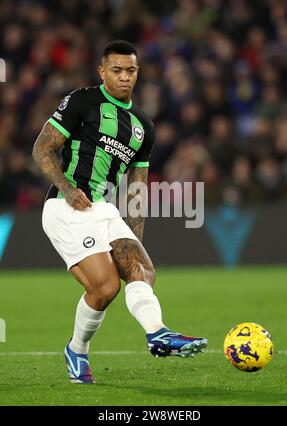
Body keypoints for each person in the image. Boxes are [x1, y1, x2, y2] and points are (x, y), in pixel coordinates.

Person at [32, 40, 207, 384]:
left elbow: (138, 188)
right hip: (66, 207)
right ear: (102, 71)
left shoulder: (144, 126)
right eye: (117, 70)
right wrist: (68, 189)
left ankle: (158, 333)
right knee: (106, 287)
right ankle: (76, 350)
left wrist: (132, 240)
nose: (124, 77)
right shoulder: (82, 101)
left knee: (142, 269)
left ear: (137, 72)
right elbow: (43, 148)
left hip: (107, 212)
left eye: (130, 70)